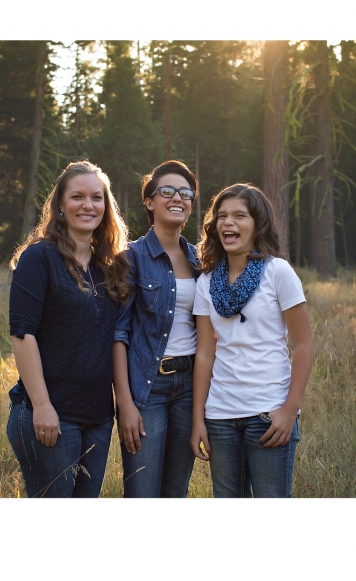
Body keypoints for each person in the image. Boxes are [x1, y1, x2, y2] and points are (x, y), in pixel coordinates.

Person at [6, 160, 131, 498]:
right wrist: (42, 405)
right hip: (51, 416)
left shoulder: (110, 266)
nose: (88, 205)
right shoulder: (40, 258)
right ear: (60, 204)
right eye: (77, 196)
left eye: (96, 197)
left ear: (106, 206)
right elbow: (22, 334)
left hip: (99, 418)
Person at [189, 183, 314, 497]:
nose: (229, 222)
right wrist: (198, 419)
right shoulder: (206, 282)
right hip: (220, 415)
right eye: (223, 216)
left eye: (240, 216)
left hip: (268, 413)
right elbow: (205, 353)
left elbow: (303, 345)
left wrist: (289, 411)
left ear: (257, 225)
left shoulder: (278, 272)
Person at [113, 160, 200, 497]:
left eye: (186, 193)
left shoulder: (200, 260)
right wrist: (126, 404)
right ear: (149, 201)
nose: (177, 198)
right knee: (142, 494)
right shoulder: (131, 257)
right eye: (167, 191)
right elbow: (118, 335)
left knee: (175, 493)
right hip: (147, 392)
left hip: (190, 390)